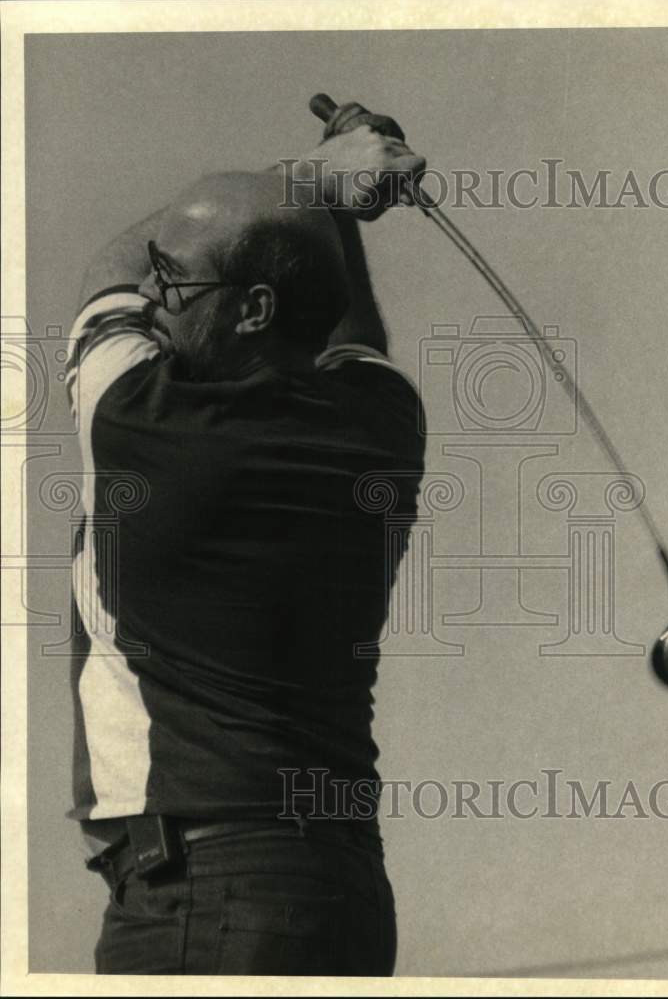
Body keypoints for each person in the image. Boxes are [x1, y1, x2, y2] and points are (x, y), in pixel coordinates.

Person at [65, 105, 426, 975]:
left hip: (206, 895)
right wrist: (328, 205)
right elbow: (345, 333)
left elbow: (105, 275)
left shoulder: (139, 419)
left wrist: (311, 174)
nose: (155, 296)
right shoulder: (383, 422)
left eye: (177, 284)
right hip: (337, 889)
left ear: (256, 308)